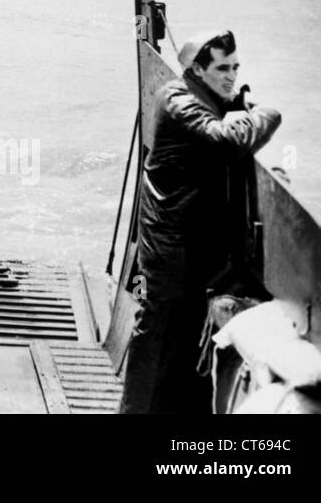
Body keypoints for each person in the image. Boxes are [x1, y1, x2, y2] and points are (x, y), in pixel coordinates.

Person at [118, 31, 280, 415]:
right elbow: (225, 140)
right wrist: (268, 114)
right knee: (154, 335)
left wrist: (234, 103)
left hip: (185, 245)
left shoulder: (198, 99)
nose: (232, 75)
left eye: (236, 67)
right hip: (169, 248)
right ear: (197, 70)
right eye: (222, 68)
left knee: (182, 338)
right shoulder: (178, 102)